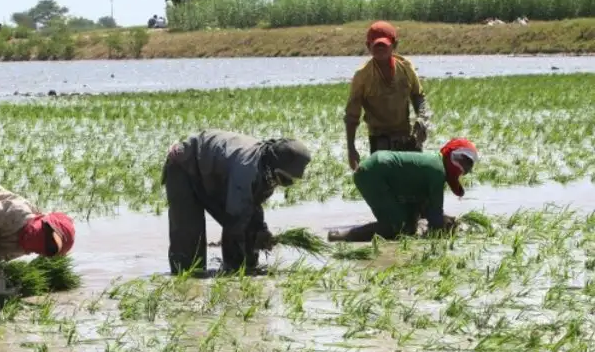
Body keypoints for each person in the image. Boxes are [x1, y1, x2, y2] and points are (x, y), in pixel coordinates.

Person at [161, 130, 312, 274]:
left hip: (211, 172)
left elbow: (252, 206)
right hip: (184, 165)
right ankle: (186, 284)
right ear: (273, 167)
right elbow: (235, 220)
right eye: (284, 180)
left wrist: (260, 230)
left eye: (290, 182)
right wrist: (233, 269)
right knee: (189, 248)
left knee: (249, 233)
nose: (283, 184)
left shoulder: (265, 169)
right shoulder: (246, 169)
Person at [328, 138, 478, 242]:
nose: (462, 168)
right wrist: (449, 228)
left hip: (377, 170)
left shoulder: (436, 165)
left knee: (409, 223)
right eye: (461, 160)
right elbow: (435, 218)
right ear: (450, 154)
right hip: (373, 174)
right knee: (396, 227)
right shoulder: (437, 171)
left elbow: (425, 207)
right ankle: (341, 236)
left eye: (467, 166)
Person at [0, 176, 75, 300]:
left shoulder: (21, 246)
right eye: (48, 233)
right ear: (43, 220)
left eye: (51, 247)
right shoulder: (17, 213)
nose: (45, 243)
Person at [344, 20, 434, 171]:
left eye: (384, 46)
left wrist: (422, 118)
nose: (380, 50)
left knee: (412, 184)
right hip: (379, 139)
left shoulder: (406, 68)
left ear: (395, 45)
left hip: (406, 136)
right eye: (376, 46)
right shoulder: (362, 75)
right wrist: (351, 149)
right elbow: (352, 116)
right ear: (368, 47)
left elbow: (418, 96)